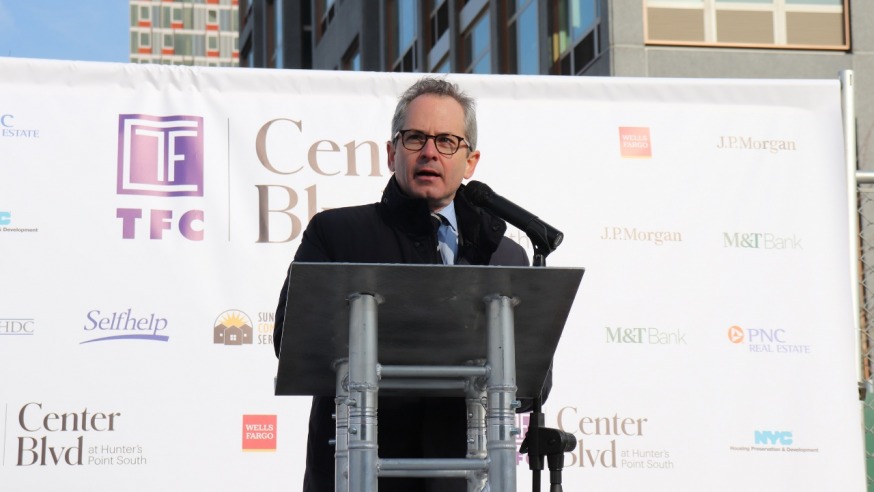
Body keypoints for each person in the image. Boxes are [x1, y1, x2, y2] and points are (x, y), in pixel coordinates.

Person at [273, 77, 530, 492]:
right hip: (357, 474)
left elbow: (532, 381)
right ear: (392, 153)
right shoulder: (337, 234)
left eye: (447, 141)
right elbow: (291, 341)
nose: (430, 152)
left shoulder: (504, 256)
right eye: (415, 138)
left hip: (461, 476)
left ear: (471, 162)